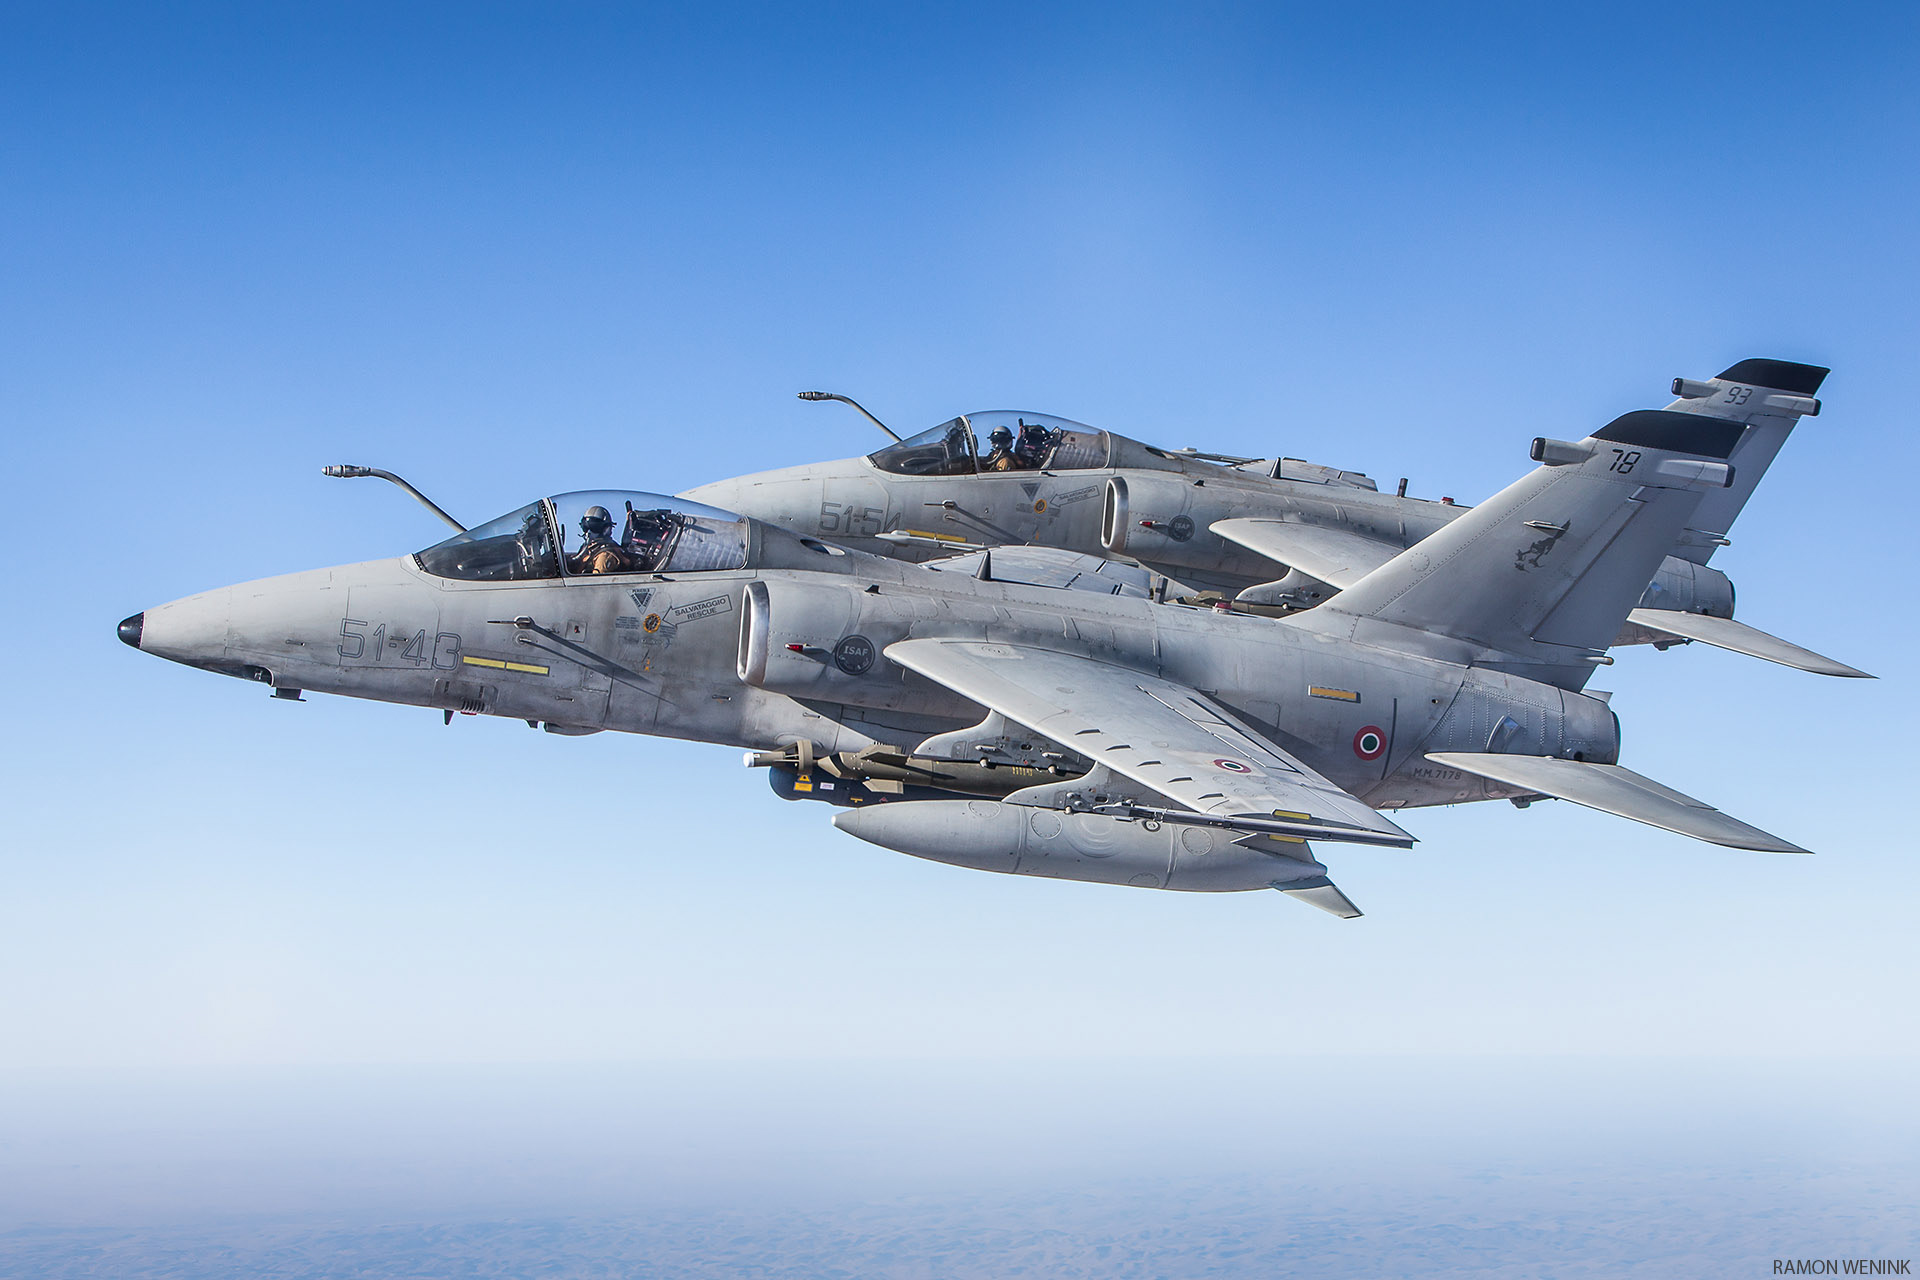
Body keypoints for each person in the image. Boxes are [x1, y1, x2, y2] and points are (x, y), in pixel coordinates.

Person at [568, 506, 634, 574]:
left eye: (594, 527)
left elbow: (597, 579)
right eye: (585, 526)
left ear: (606, 529)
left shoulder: (604, 555)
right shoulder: (588, 549)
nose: (589, 532)